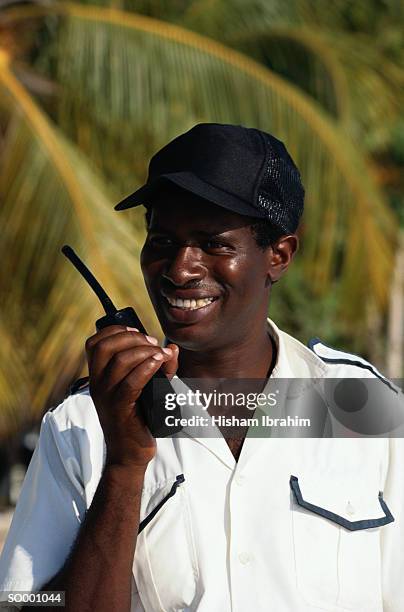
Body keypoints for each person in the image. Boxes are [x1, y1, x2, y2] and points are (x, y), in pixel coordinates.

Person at [0, 123, 403, 612]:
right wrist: (125, 468)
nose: (180, 269)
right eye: (163, 241)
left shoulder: (362, 406)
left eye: (213, 243)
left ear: (279, 254)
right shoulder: (79, 427)